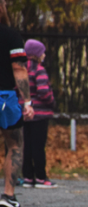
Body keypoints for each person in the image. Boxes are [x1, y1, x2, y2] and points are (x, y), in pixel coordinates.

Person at [0, 0, 33, 207]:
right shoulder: (11, 35)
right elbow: (19, 69)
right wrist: (28, 100)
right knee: (14, 144)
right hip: (4, 97)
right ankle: (9, 195)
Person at [22, 39, 56, 188]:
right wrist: (51, 102)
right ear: (37, 55)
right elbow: (43, 91)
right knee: (38, 146)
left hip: (25, 113)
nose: (44, 55)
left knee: (27, 146)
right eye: (42, 52)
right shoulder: (39, 70)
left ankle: (28, 176)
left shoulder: (21, 70)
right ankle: (41, 177)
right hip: (40, 114)